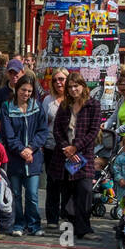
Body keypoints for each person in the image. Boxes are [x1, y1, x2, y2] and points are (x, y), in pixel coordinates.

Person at [50, 72, 102, 240]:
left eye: (76, 86)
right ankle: (71, 226)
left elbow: (93, 131)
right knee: (68, 192)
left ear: (83, 86)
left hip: (83, 154)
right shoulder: (64, 105)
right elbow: (57, 129)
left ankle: (84, 227)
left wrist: (76, 148)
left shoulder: (93, 105)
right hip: (65, 155)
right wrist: (66, 147)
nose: (73, 90)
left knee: (85, 190)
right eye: (70, 87)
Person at [1, 74, 48, 237]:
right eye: (23, 90)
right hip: (15, 158)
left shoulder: (37, 106)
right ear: (16, 88)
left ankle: (34, 224)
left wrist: (31, 148)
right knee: (15, 194)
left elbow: (43, 131)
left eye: (29, 91)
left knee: (32, 195)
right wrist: (21, 150)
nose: (26, 93)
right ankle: (18, 223)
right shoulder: (7, 107)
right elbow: (8, 134)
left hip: (33, 158)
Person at [42, 68, 69, 231]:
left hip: (69, 148)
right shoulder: (48, 100)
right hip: (51, 146)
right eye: (55, 80)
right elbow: (42, 123)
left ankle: (66, 215)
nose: (58, 82)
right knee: (53, 183)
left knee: (68, 183)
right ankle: (52, 218)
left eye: (61, 79)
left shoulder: (73, 99)